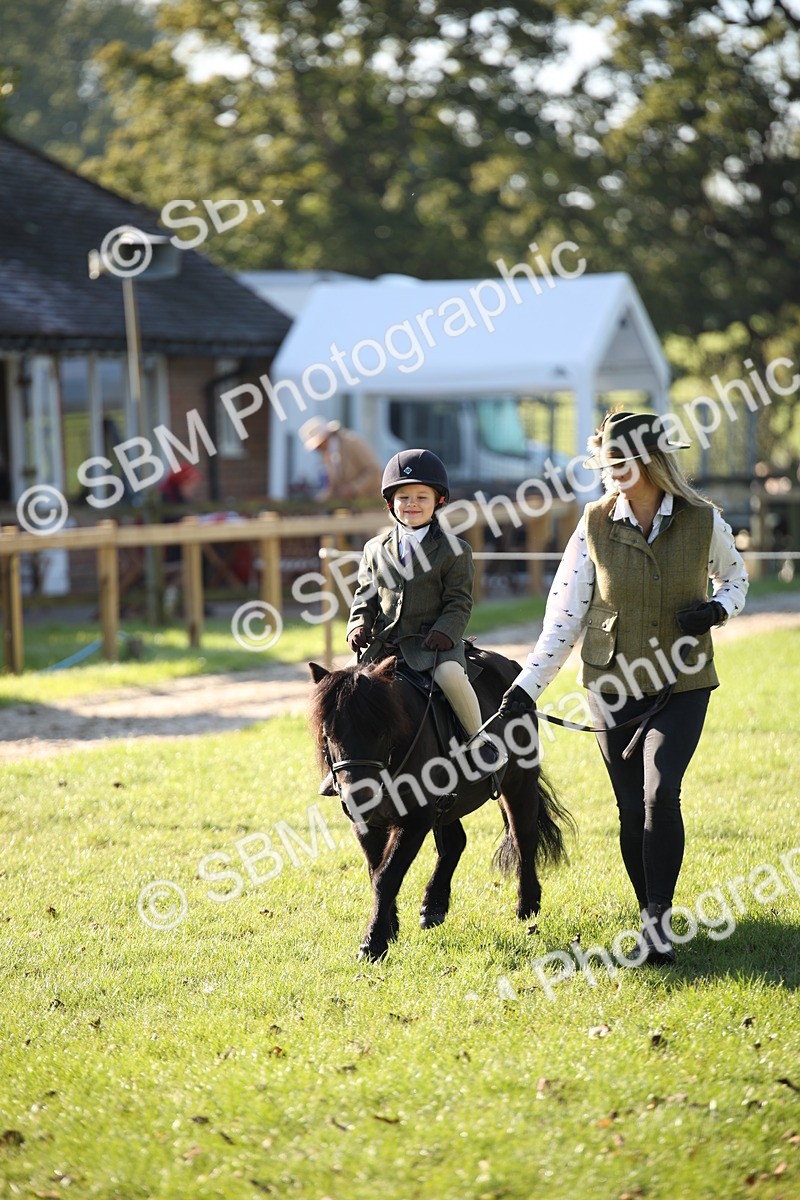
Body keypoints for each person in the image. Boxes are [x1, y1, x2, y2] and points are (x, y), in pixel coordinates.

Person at [499, 411, 748, 965]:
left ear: (652, 462)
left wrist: (717, 609)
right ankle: (648, 914)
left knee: (661, 793)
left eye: (621, 462)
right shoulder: (592, 525)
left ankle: (658, 919)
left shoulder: (704, 520)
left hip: (683, 684)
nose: (610, 472)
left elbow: (735, 579)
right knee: (630, 807)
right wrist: (525, 689)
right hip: (611, 686)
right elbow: (562, 622)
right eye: (606, 463)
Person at [324, 448, 505, 788]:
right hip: (383, 647)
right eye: (403, 497)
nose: (412, 504)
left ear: (438, 501)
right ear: (391, 503)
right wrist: (358, 625)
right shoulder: (374, 549)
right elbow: (364, 596)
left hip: (432, 646)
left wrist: (444, 632)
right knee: (343, 690)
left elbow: (459, 602)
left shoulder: (455, 551)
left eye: (421, 497)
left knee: (452, 676)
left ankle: (479, 742)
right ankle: (335, 767)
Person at [299, 417, 382, 502]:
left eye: (318, 446)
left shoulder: (353, 442)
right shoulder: (327, 454)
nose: (317, 449)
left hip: (371, 503)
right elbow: (332, 487)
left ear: (325, 437)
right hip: (353, 506)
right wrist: (318, 502)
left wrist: (353, 488)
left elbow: (374, 471)